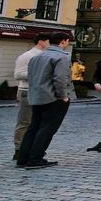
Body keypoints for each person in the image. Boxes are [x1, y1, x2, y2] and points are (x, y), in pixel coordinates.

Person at [16, 32, 75, 169]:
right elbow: (60, 79)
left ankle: (23, 158)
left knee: (33, 127)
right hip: (53, 98)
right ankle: (36, 158)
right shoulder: (62, 57)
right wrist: (63, 96)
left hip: (36, 96)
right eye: (67, 41)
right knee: (47, 128)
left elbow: (31, 76)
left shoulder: (37, 56)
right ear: (63, 42)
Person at [12, 33, 50, 160]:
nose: (50, 44)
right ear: (41, 42)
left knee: (36, 123)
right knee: (24, 122)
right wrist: (39, 73)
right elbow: (18, 74)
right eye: (49, 41)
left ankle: (30, 148)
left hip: (40, 92)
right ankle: (19, 149)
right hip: (26, 91)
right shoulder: (27, 55)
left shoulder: (45, 55)